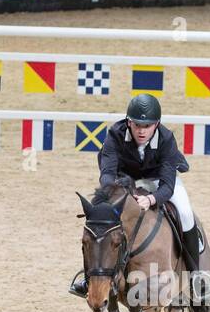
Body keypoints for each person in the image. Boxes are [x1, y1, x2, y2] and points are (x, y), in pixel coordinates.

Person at [70, 94, 203, 297]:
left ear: (156, 124)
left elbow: (168, 186)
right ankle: (88, 279)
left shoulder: (166, 139)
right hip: (126, 180)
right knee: (101, 218)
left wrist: (151, 199)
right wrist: (120, 191)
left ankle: (196, 277)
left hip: (160, 180)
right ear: (128, 121)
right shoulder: (115, 134)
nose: (141, 130)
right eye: (137, 124)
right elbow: (106, 174)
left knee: (185, 214)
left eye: (147, 126)